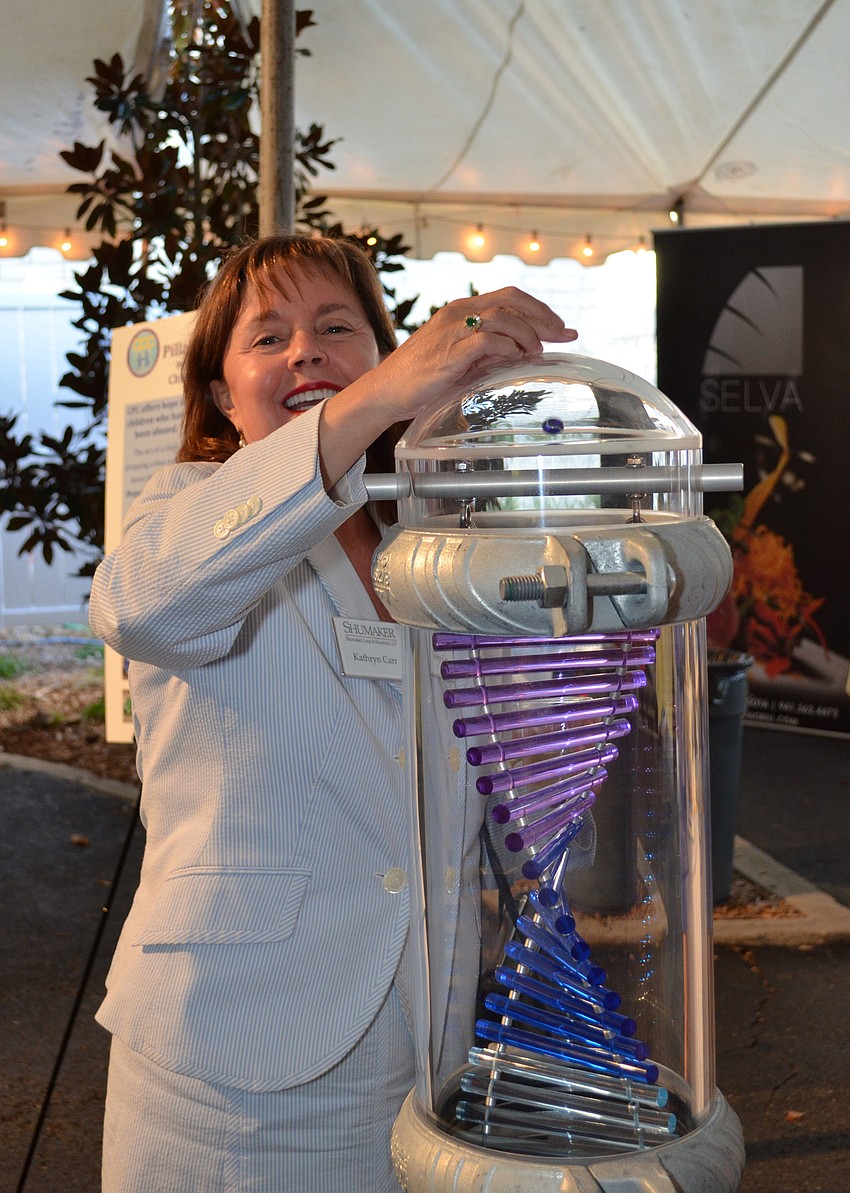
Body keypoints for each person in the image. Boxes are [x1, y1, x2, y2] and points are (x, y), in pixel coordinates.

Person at [89, 232, 577, 1192]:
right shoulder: (184, 507)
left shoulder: (429, 546)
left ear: (381, 353)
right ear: (226, 398)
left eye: (336, 328)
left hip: (427, 1049)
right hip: (235, 1067)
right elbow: (138, 604)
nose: (304, 351)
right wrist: (382, 397)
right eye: (267, 337)